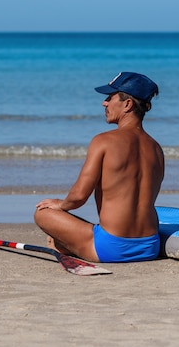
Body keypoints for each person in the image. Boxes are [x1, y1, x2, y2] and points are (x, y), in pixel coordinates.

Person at [34, 72, 165, 263]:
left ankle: (67, 245)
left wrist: (60, 204)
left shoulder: (103, 141)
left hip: (111, 248)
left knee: (42, 213)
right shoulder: (156, 148)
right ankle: (67, 245)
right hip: (149, 246)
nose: (104, 103)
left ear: (127, 104)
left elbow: (78, 197)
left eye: (110, 98)